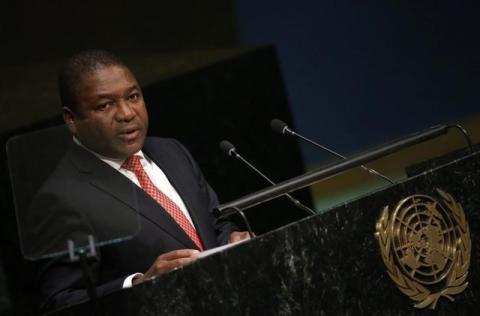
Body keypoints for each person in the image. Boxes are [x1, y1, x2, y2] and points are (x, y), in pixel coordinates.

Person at [28, 50, 251, 311]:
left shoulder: (172, 151)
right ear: (72, 119)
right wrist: (139, 285)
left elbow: (214, 224)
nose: (126, 113)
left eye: (133, 97)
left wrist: (235, 239)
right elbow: (61, 302)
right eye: (105, 105)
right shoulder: (61, 198)